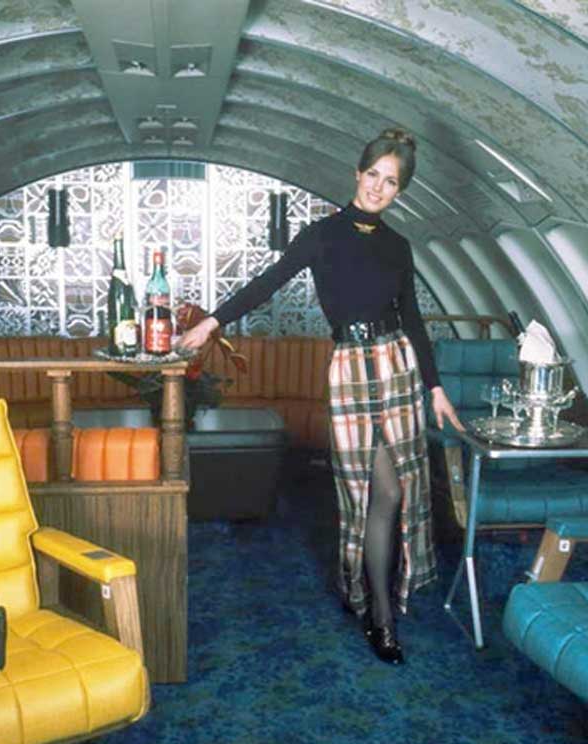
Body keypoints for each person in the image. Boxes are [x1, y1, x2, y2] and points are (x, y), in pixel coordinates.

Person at [178, 128, 463, 664]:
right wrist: (212, 322)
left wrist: (436, 388)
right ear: (358, 173)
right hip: (351, 370)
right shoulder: (321, 235)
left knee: (396, 494)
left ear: (400, 191)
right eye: (373, 174)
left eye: (391, 182)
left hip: (398, 368)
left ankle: (380, 606)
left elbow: (416, 322)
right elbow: (268, 282)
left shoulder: (399, 247)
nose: (379, 187)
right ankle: (378, 612)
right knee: (369, 494)